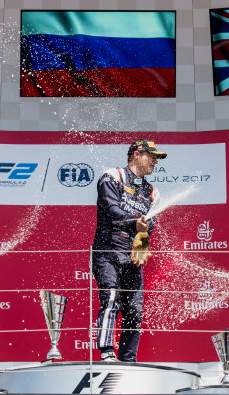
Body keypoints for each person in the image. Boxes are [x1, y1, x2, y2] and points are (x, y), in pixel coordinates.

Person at [92, 139, 167, 362]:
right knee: (112, 298)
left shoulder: (152, 192)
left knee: (134, 308)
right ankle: (106, 352)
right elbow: (110, 209)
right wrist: (135, 222)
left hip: (132, 256)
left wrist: (142, 244)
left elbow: (148, 225)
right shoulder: (112, 176)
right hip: (107, 251)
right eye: (151, 156)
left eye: (157, 158)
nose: (155, 161)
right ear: (136, 154)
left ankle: (128, 359)